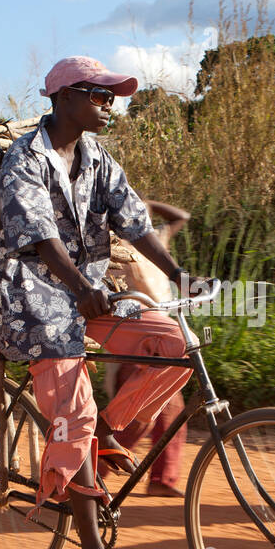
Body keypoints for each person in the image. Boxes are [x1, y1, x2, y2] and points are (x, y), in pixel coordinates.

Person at [0, 55, 205, 549]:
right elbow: (41, 237)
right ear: (64, 97)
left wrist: (179, 274)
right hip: (37, 301)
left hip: (90, 294)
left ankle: (106, 432)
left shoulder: (99, 159)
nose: (109, 105)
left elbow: (135, 222)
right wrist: (80, 286)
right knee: (74, 411)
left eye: (111, 96)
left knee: (172, 343)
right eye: (98, 94)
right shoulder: (24, 158)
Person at [105, 199, 192, 499]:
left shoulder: (155, 240)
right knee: (136, 419)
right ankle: (88, 472)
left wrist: (149, 203)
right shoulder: (116, 245)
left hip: (163, 339)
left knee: (170, 412)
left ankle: (161, 479)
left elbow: (183, 215)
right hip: (135, 340)